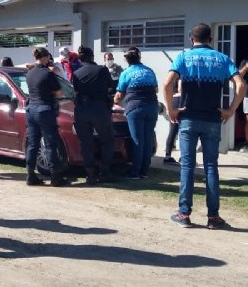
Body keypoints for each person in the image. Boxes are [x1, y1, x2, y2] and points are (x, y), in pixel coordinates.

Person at [162, 23, 246, 229]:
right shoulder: (222, 59)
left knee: (187, 166)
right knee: (211, 166)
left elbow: (167, 84)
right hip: (212, 119)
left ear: (192, 39)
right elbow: (241, 85)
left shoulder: (183, 57)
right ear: (211, 39)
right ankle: (213, 217)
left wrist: (171, 110)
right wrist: (230, 110)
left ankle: (184, 214)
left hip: (188, 118)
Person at [72, 45, 116, 185]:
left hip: (81, 109)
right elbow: (110, 88)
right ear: (92, 57)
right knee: (107, 140)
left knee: (85, 143)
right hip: (99, 108)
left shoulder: (76, 73)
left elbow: (75, 90)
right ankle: (105, 172)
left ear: (80, 59)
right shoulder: (102, 70)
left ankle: (90, 174)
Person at [113, 46, 159, 179]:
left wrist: (114, 101)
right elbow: (156, 90)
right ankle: (144, 171)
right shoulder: (149, 71)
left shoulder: (126, 73)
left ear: (126, 60)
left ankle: (135, 172)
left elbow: (119, 95)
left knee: (137, 140)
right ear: (139, 57)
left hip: (135, 108)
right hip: (152, 107)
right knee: (147, 139)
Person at [24, 47, 64, 186]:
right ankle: (55, 177)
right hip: (45, 109)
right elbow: (59, 93)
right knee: (50, 144)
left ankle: (30, 174)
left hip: (31, 109)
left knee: (33, 144)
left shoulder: (29, 73)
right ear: (46, 57)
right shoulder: (48, 73)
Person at [163, 78, 181, 166]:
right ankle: (184, 156)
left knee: (173, 131)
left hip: (173, 101)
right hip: (180, 101)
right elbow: (181, 89)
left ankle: (167, 155)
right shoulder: (182, 75)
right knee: (184, 131)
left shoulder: (171, 77)